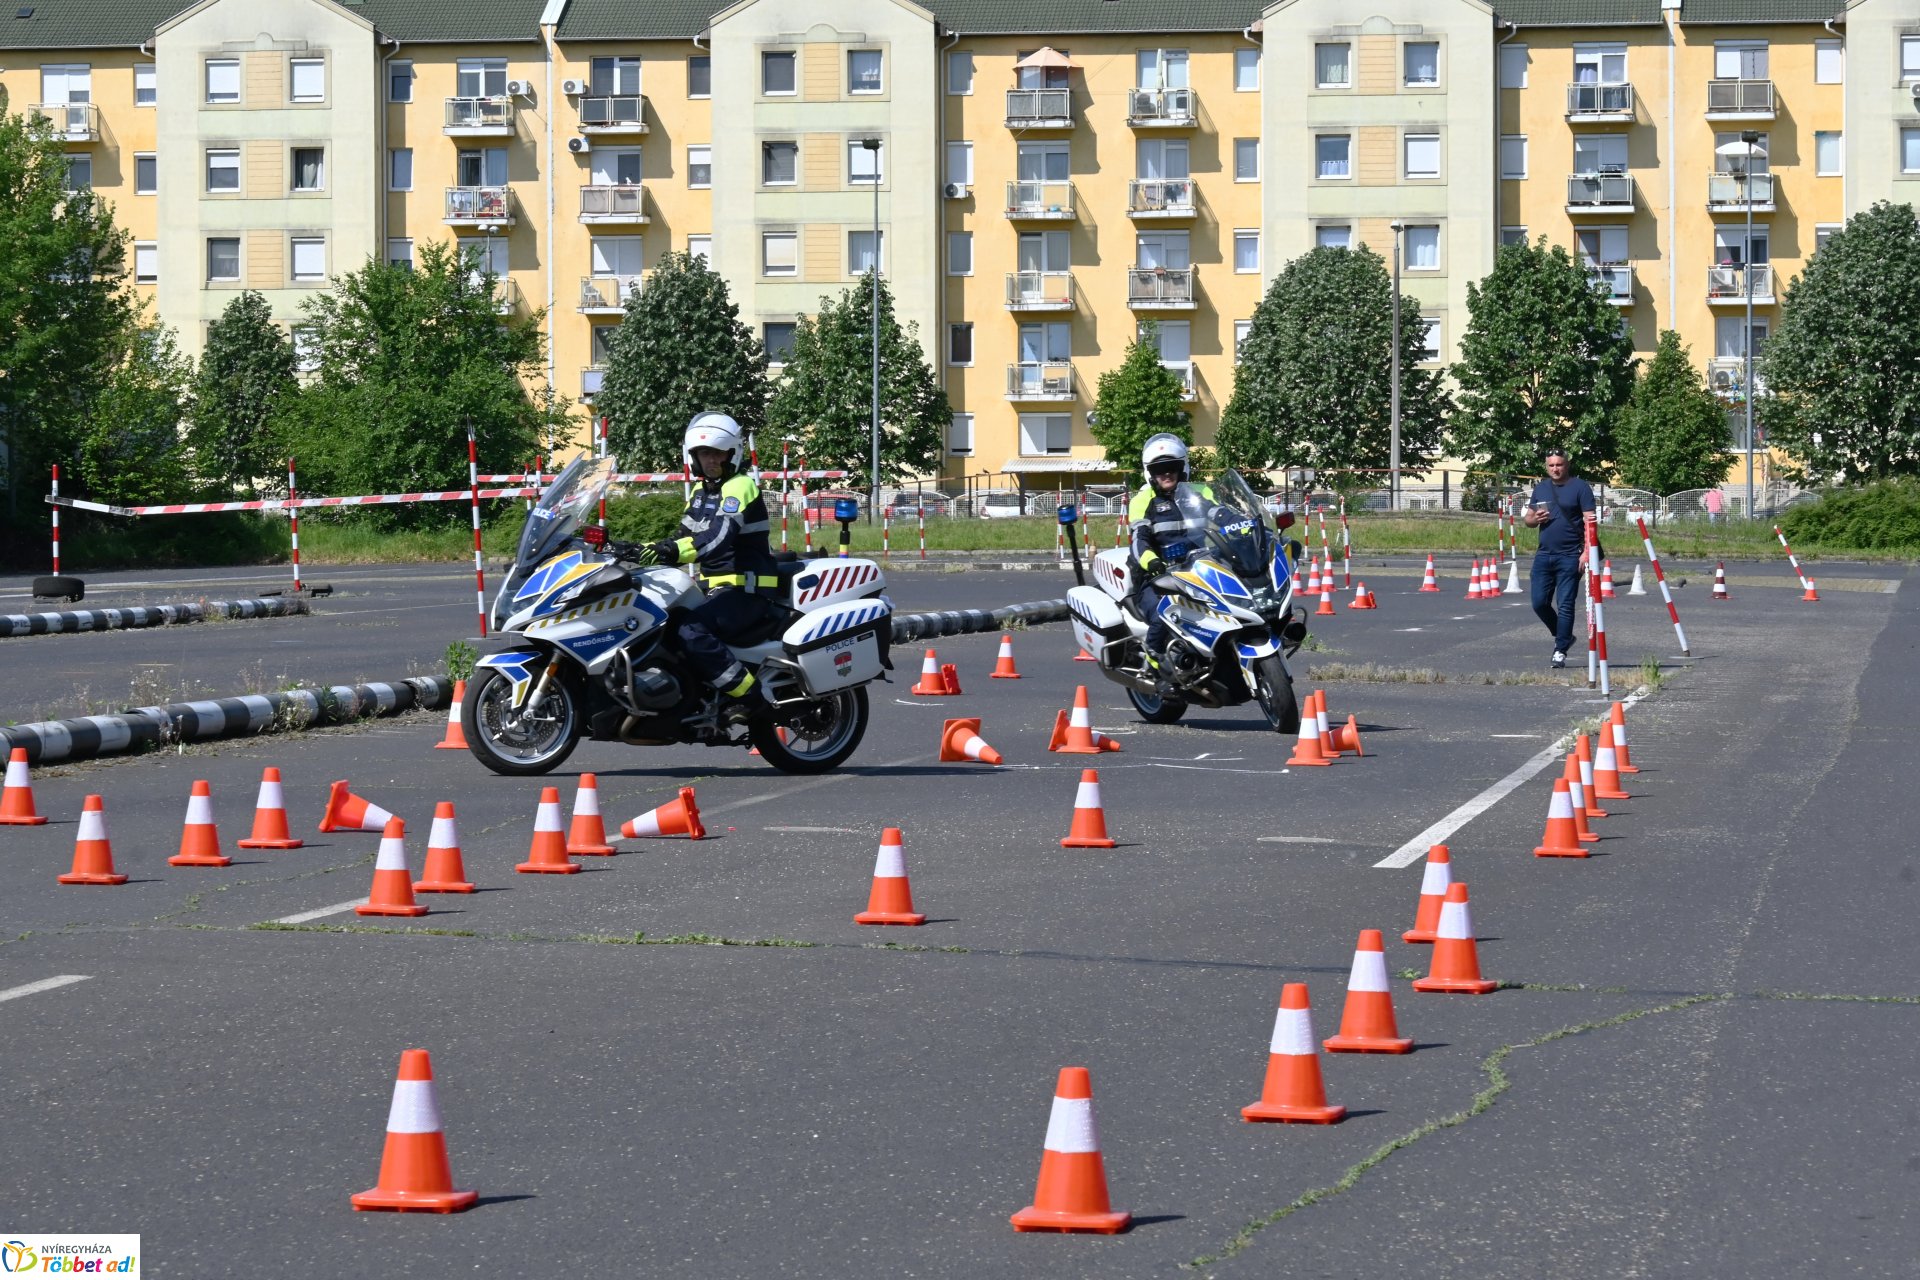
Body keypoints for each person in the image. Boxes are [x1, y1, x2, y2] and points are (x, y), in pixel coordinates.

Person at [634, 412, 779, 714]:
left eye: (716, 453)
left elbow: (719, 537)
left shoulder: (740, 486)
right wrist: (638, 549)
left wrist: (672, 552)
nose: (710, 459)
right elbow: (683, 535)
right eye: (704, 453)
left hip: (747, 590)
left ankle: (750, 698)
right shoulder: (701, 493)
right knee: (659, 622)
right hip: (713, 588)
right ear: (694, 457)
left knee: (692, 630)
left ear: (731, 454)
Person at [1127, 434, 1209, 691]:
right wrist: (1151, 562)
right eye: (1159, 470)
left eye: (1171, 467)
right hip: (1157, 575)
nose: (1166, 474)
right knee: (1166, 610)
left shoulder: (1200, 493)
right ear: (1149, 473)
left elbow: (1226, 515)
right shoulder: (1142, 500)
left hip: (1199, 569)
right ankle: (1154, 656)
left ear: (1182, 467)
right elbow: (1138, 540)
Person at [1521, 448, 1597, 669]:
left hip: (1571, 555)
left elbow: (1590, 521)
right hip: (1544, 554)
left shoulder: (1580, 487)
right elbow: (1528, 519)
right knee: (1538, 602)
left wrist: (1586, 551)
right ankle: (1562, 634)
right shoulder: (1541, 488)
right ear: (1547, 466)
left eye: (1559, 464)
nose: (1555, 468)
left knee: (1565, 604)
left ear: (1567, 464)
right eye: (1551, 465)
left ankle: (1560, 650)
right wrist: (1534, 518)